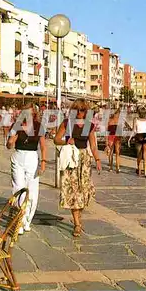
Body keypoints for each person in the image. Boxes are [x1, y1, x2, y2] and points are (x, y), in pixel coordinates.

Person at [54, 99, 102, 237]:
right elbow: (56, 139)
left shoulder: (89, 125)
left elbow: (93, 144)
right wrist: (66, 141)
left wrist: (97, 159)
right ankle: (77, 224)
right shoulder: (67, 123)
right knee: (73, 192)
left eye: (83, 110)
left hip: (84, 161)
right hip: (71, 160)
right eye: (78, 110)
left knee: (82, 191)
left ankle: (78, 216)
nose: (81, 113)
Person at [6, 104, 47, 234]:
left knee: (32, 191)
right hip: (18, 156)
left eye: (29, 113)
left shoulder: (38, 126)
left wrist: (43, 162)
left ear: (34, 114)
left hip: (32, 157)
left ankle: (27, 220)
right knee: (18, 188)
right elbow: (8, 145)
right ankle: (20, 221)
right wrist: (11, 141)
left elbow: (43, 146)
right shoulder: (16, 125)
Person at [133, 107, 146, 177]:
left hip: (138, 136)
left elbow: (134, 130)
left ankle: (139, 170)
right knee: (145, 156)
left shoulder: (135, 119)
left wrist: (130, 138)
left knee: (139, 155)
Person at [105, 108, 124, 173]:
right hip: (117, 137)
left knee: (111, 152)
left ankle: (111, 167)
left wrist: (106, 141)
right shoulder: (119, 121)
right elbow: (120, 131)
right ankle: (117, 168)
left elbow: (106, 131)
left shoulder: (110, 120)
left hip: (111, 136)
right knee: (117, 153)